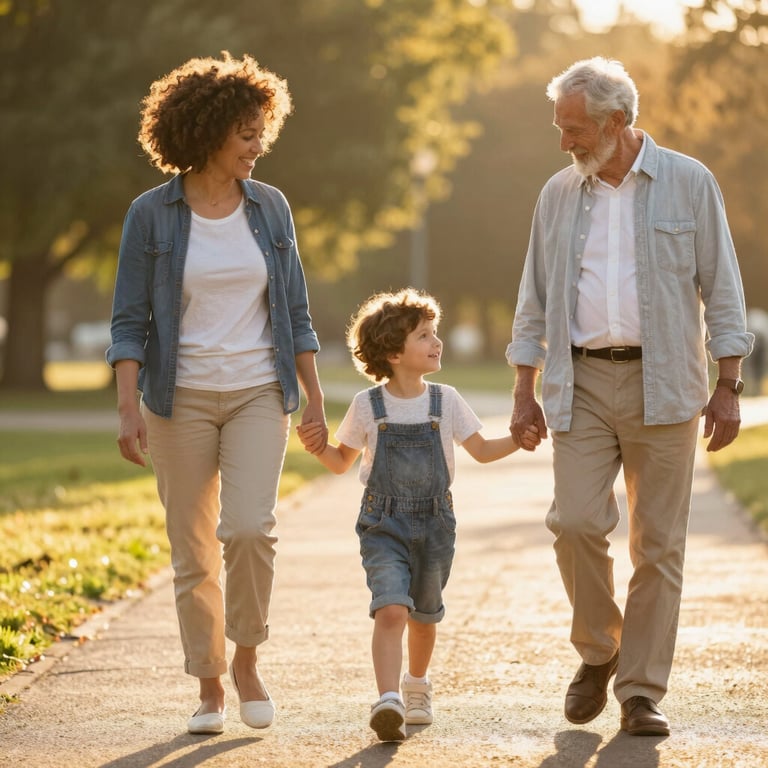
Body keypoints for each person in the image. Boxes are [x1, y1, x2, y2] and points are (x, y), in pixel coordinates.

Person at [507, 57, 754, 737]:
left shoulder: (689, 183)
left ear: (618, 122)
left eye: (575, 127)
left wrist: (728, 386)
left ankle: (641, 691)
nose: (565, 141)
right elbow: (534, 298)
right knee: (576, 523)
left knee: (658, 546)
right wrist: (524, 391)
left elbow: (723, 290)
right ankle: (599, 649)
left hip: (668, 382)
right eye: (561, 127)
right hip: (581, 381)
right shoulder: (558, 194)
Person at [106, 53, 327, 735]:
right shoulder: (151, 216)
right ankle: (208, 686)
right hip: (180, 401)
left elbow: (294, 308)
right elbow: (129, 320)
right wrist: (126, 406)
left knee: (249, 528)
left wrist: (315, 397)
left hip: (260, 391)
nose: (259, 147)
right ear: (207, 132)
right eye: (247, 134)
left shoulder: (271, 207)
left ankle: (248, 659)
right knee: (192, 549)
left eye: (262, 132)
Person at [297, 288, 538, 741]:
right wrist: (318, 446)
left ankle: (417, 684)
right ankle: (387, 699)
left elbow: (482, 450)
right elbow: (341, 461)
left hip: (435, 524)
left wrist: (518, 439)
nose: (437, 342)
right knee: (390, 609)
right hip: (382, 524)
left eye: (435, 333)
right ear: (392, 352)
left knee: (424, 617)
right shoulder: (367, 407)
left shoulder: (445, 401)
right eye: (425, 335)